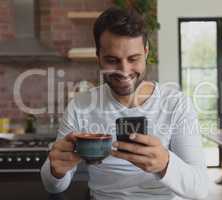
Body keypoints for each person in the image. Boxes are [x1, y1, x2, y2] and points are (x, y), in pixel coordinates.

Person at [41, 7, 208, 200]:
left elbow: (200, 188)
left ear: (146, 52)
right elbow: (52, 186)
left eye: (133, 59)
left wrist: (165, 163)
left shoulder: (177, 105)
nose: (124, 70)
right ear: (98, 57)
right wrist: (55, 171)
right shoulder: (80, 106)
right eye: (112, 60)